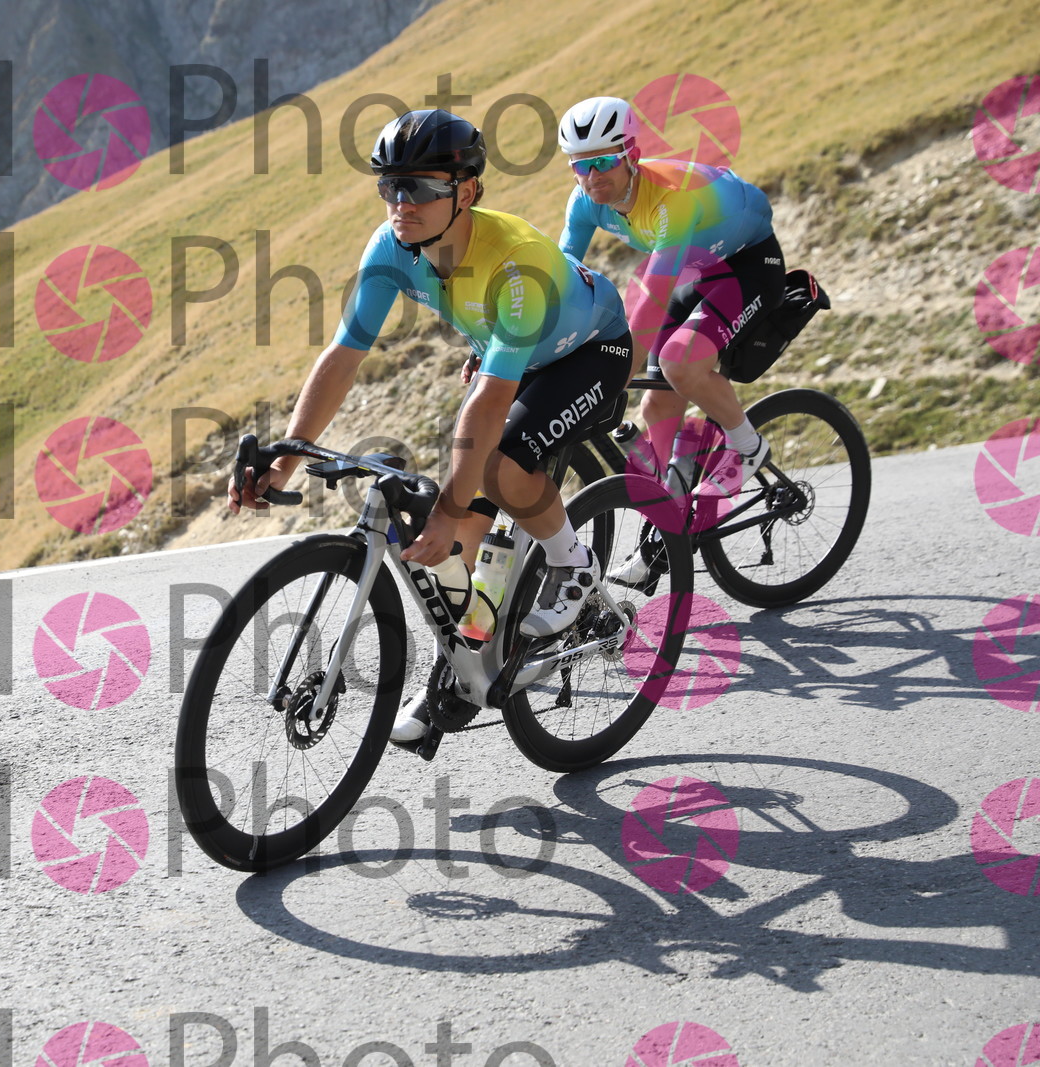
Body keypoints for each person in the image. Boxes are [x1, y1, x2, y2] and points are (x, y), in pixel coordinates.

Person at [227, 108, 633, 742]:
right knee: (456, 544)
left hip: (589, 350)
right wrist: (285, 462)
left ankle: (571, 562)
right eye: (389, 186)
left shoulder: (516, 262)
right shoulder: (393, 246)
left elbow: (489, 401)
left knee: (491, 471)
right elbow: (344, 355)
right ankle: (466, 667)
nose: (401, 203)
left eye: (417, 188)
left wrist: (448, 506)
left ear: (466, 192)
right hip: (511, 347)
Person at [556, 96, 785, 584]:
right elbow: (562, 283)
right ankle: (667, 525)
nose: (592, 176)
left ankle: (747, 446)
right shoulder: (585, 202)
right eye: (580, 165)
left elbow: (650, 305)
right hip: (697, 266)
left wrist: (609, 378)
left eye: (604, 161)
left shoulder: (669, 200)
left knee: (680, 363)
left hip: (748, 262)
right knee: (657, 404)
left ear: (632, 154)